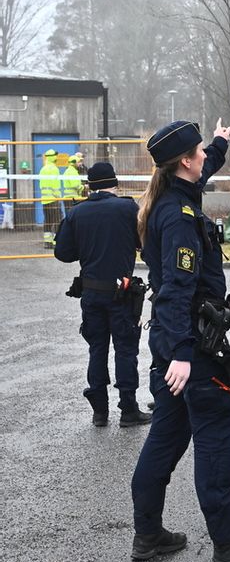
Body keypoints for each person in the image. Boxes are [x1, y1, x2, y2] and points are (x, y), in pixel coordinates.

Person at [130, 119, 230, 562]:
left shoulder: (179, 190)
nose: (203, 158)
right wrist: (180, 354)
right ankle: (228, 545)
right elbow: (175, 288)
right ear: (184, 162)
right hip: (190, 345)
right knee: (215, 439)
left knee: (166, 436)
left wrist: (220, 141)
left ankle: (148, 535)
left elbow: (207, 164)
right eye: (199, 151)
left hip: (180, 340)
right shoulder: (177, 216)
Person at [54, 163, 152, 427]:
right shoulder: (128, 208)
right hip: (121, 294)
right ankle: (128, 410)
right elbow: (144, 244)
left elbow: (63, 253)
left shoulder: (77, 213)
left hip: (91, 294)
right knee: (125, 350)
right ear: (115, 183)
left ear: (89, 186)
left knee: (97, 349)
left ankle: (100, 413)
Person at [39, 149, 62, 247]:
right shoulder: (54, 169)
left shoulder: (43, 169)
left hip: (45, 200)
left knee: (47, 221)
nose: (57, 157)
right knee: (57, 220)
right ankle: (57, 241)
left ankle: (47, 242)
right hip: (53, 200)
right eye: (55, 156)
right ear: (52, 157)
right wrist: (58, 198)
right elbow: (55, 186)